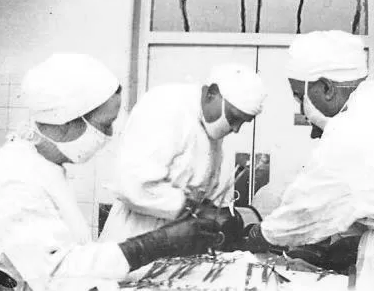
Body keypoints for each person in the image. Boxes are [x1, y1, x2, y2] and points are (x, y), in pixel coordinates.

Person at [0, 54, 221, 291]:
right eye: (104, 125)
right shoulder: (14, 180)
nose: (109, 135)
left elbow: (68, 256)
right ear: (66, 120)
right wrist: (155, 244)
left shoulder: (45, 166)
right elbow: (52, 273)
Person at [239, 31, 374, 290]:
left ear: (326, 88)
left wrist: (257, 235)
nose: (300, 107)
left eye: (297, 95)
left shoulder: (350, 129)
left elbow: (303, 212)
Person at [100, 64, 267, 245]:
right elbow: (132, 186)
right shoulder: (166, 105)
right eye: (234, 118)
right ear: (212, 93)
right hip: (135, 237)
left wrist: (215, 209)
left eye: (243, 122)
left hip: (177, 239)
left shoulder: (210, 125)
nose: (236, 129)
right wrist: (198, 210)